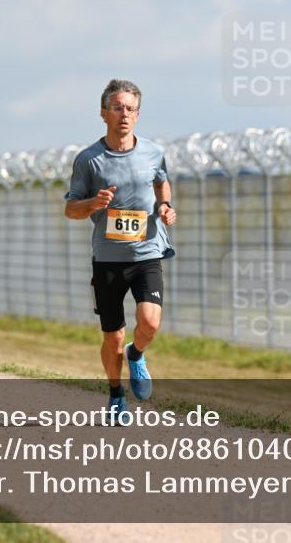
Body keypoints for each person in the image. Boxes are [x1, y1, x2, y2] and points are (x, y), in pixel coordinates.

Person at [65, 79, 177, 422]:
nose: (123, 114)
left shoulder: (153, 152)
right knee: (112, 337)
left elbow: (161, 180)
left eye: (129, 109)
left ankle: (137, 354)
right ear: (104, 113)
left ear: (138, 115)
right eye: (117, 108)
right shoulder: (89, 160)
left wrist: (165, 205)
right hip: (108, 259)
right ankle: (116, 394)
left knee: (150, 322)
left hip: (147, 253)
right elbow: (71, 209)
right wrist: (93, 202)